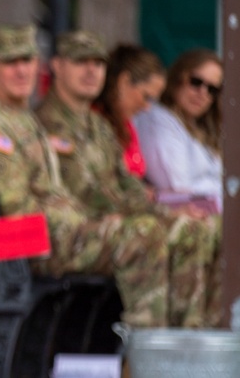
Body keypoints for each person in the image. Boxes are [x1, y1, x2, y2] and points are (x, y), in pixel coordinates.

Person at [0, 25, 171, 329]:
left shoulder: (21, 120)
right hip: (24, 245)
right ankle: (142, 358)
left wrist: (86, 222)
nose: (21, 71)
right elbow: (16, 211)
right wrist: (83, 224)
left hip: (53, 235)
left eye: (27, 61)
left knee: (163, 230)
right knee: (143, 235)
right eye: (10, 63)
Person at [36, 31, 217, 327]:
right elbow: (91, 194)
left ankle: (188, 337)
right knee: (147, 232)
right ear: (57, 66)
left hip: (105, 225)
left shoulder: (98, 126)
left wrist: (167, 212)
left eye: (98, 63)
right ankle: (144, 351)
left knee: (197, 230)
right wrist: (160, 213)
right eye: (81, 62)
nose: (92, 71)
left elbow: (127, 184)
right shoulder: (44, 124)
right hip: (69, 233)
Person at [135, 48, 224, 213]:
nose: (202, 93)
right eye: (196, 82)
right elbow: (177, 188)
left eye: (212, 89)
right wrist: (219, 190)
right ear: (178, 78)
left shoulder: (203, 128)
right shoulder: (158, 118)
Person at [93, 44, 165, 179]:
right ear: (124, 81)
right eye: (146, 97)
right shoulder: (93, 123)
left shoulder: (126, 124)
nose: (147, 107)